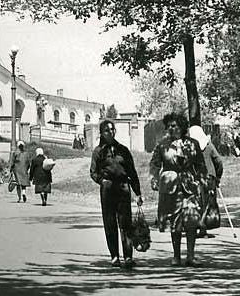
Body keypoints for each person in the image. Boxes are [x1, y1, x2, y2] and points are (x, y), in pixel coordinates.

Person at [150, 112, 208, 266]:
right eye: (168, 126)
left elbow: (201, 165)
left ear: (181, 127)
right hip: (171, 186)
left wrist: (201, 179)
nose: (171, 128)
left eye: (174, 126)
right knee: (175, 222)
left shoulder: (193, 143)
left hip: (189, 186)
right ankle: (176, 256)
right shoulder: (162, 145)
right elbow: (155, 164)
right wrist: (155, 177)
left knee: (191, 219)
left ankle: (191, 256)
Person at [90, 119, 143, 268]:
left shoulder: (123, 150)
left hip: (123, 187)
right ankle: (114, 256)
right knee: (110, 222)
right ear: (101, 133)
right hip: (107, 189)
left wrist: (137, 193)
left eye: (112, 129)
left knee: (125, 222)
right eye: (107, 130)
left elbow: (132, 172)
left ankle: (128, 257)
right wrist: (102, 181)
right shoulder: (98, 151)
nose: (110, 132)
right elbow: (93, 172)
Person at [189, 125, 224, 238]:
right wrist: (218, 176)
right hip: (210, 177)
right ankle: (205, 227)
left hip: (197, 178)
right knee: (208, 202)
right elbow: (218, 161)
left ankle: (199, 227)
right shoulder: (208, 145)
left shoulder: (191, 147)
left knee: (198, 202)